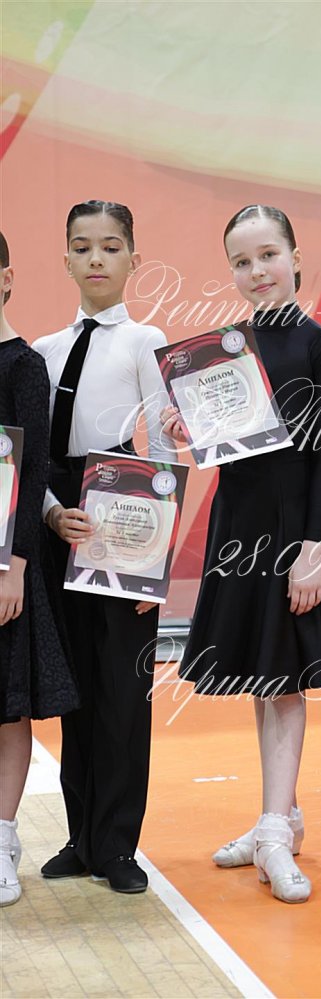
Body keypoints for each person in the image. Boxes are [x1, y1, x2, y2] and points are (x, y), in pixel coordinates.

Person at [163, 204, 321, 904]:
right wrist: (184, 424)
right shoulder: (222, 353)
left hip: (294, 529)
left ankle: (276, 834)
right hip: (240, 525)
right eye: (242, 261)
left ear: (294, 257)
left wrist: (313, 546)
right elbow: (224, 446)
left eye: (268, 255)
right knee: (264, 676)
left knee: (286, 682)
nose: (257, 271)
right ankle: (278, 818)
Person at [35, 201, 174, 893]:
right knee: (75, 692)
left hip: (126, 516)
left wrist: (155, 561)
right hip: (58, 521)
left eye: (111, 246)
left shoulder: (146, 340)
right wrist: (51, 512)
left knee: (123, 688)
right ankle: (79, 837)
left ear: (133, 260)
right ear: (65, 258)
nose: (96, 258)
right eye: (83, 246)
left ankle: (118, 845)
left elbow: (167, 447)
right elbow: (27, 454)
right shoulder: (42, 351)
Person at [0, 232, 79, 906]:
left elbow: (29, 473)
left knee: (9, 706)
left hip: (4, 562)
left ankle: (3, 842)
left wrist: (14, 566)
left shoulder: (24, 365)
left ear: (6, 278)